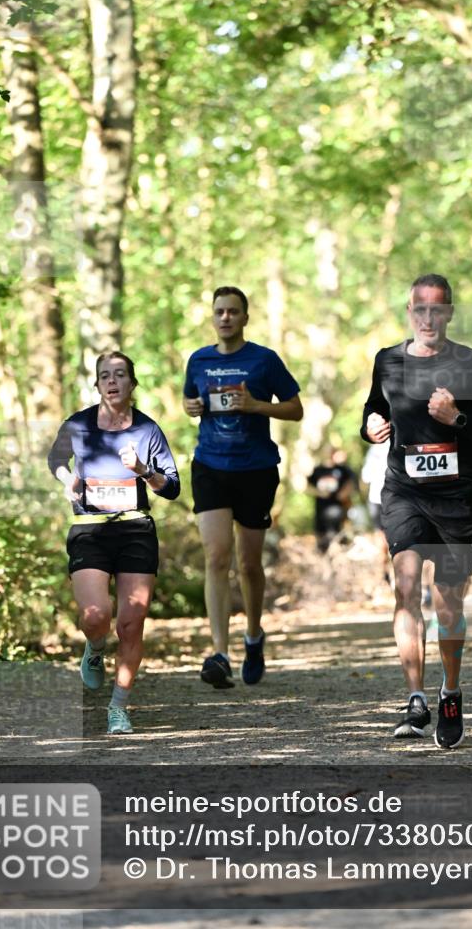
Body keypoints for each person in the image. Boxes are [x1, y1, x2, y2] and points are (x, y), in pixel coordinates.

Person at [361, 274, 472, 749]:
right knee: (405, 588)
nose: (428, 318)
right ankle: (414, 697)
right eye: (419, 310)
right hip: (404, 493)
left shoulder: (469, 363)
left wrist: (460, 420)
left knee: (448, 604)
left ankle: (450, 691)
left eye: (437, 309)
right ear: (409, 313)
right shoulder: (387, 361)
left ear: (449, 313)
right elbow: (372, 411)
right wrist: (369, 427)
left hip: (456, 502)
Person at [48, 352, 180, 735]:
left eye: (120, 374)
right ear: (97, 384)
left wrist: (144, 471)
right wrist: (65, 479)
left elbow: (172, 487)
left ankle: (118, 707)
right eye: (105, 375)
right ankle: (94, 648)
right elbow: (55, 459)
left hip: (136, 529)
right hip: (90, 528)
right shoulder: (77, 425)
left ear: (132, 383)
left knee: (132, 622)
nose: (112, 381)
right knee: (95, 617)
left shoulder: (148, 430)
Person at [183, 286, 303, 689]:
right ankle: (220, 652)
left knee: (249, 564)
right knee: (217, 557)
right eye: (219, 312)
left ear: (245, 318)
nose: (226, 318)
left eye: (233, 312)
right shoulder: (198, 360)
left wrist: (256, 406)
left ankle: (253, 635)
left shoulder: (264, 360)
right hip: (210, 467)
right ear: (212, 317)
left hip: (255, 469)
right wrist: (191, 407)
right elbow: (190, 401)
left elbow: (295, 408)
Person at [307, 447, 359, 552]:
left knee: (336, 536)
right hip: (320, 509)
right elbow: (307, 485)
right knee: (321, 536)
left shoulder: (342, 470)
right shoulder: (317, 470)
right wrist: (319, 493)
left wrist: (344, 493)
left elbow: (352, 482)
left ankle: (337, 556)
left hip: (337, 509)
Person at [360, 440, 392, 583]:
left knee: (382, 539)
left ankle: (385, 573)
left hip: (377, 498)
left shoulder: (375, 448)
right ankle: (387, 573)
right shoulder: (406, 439)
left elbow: (365, 477)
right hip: (389, 498)